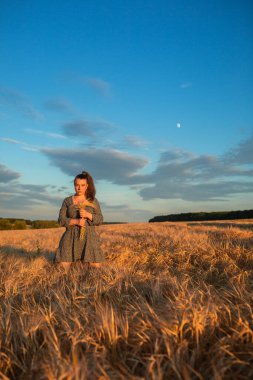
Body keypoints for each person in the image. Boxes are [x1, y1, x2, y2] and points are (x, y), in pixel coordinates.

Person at [54, 171, 105, 273]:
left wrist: (88, 215)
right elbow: (61, 220)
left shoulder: (93, 201)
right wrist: (76, 221)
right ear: (74, 185)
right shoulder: (67, 201)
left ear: (87, 186)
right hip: (70, 238)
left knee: (95, 271)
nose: (79, 188)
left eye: (82, 185)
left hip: (89, 238)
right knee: (62, 270)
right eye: (77, 185)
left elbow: (100, 219)